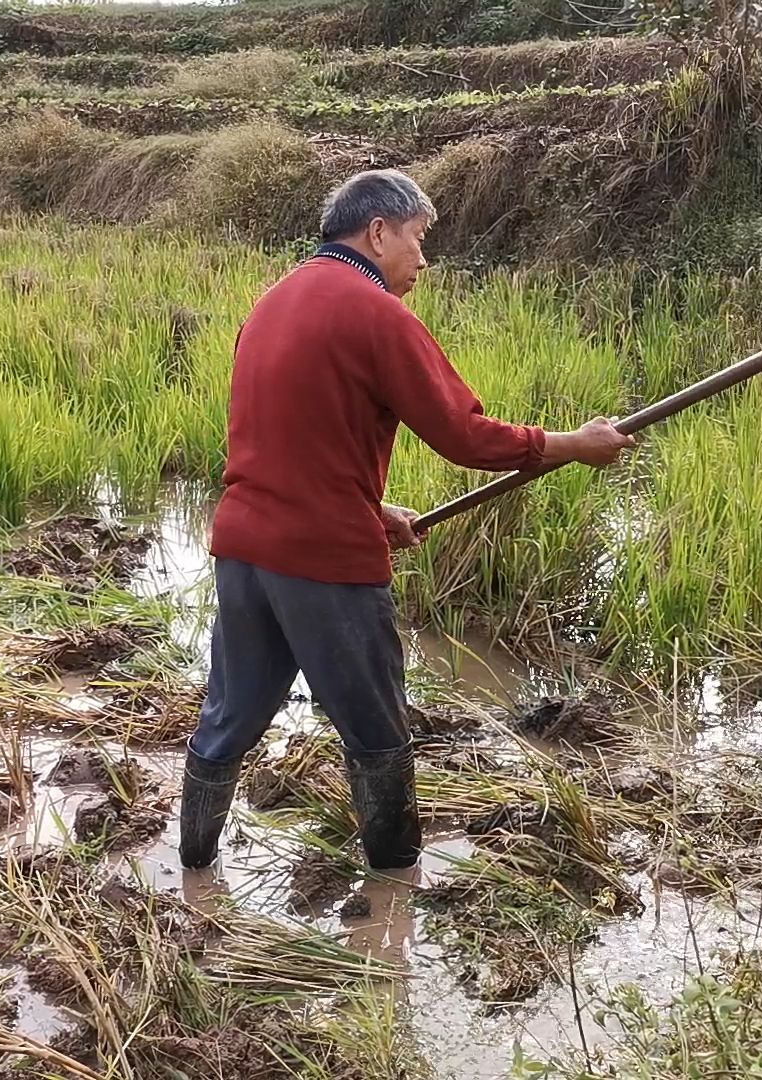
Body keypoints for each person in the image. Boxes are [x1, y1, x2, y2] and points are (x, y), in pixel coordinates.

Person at [179, 169, 634, 871]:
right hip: (324, 561)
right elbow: (465, 435)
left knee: (230, 717)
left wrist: (370, 506)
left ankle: (193, 865)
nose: (422, 259)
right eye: (418, 239)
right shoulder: (376, 312)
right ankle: (394, 884)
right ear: (378, 232)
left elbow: (284, 438)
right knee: (375, 729)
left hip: (245, 548)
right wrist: (573, 446)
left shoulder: (271, 303)